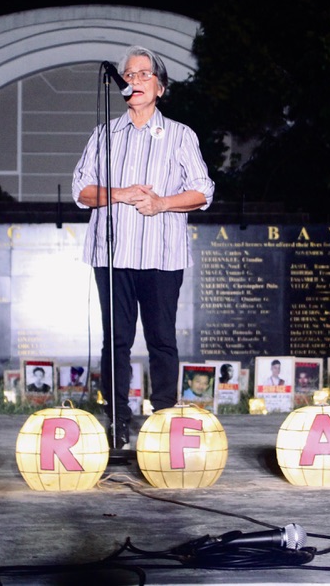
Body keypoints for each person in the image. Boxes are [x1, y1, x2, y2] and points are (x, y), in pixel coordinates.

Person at [72, 45, 214, 449]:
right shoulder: (104, 135)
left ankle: (164, 424)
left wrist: (162, 202)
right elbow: (81, 191)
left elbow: (204, 191)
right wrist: (121, 193)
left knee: (161, 340)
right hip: (112, 256)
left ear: (160, 87)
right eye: (128, 75)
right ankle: (117, 424)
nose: (133, 80)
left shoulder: (181, 135)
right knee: (114, 341)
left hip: (161, 255)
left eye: (142, 74)